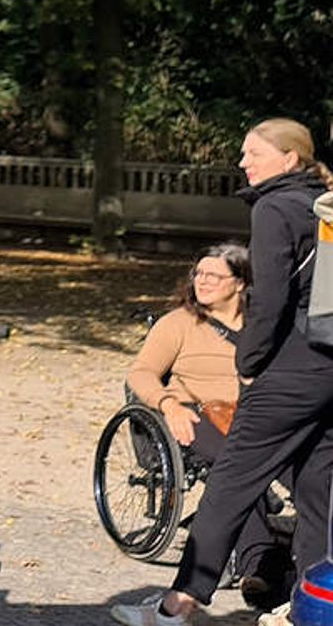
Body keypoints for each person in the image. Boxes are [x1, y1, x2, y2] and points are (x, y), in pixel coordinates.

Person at [114, 119, 333, 626]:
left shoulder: (276, 208)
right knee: (318, 486)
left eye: (253, 152)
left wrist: (249, 362)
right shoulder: (318, 206)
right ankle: (311, 605)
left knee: (230, 482)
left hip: (290, 367)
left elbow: (271, 299)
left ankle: (179, 605)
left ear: (289, 160)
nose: (243, 162)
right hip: (328, 366)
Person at [123, 243, 286, 606]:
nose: (203, 281)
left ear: (241, 282)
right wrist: (168, 403)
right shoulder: (178, 323)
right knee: (238, 467)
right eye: (199, 273)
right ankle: (260, 562)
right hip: (195, 413)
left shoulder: (263, 323)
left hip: (258, 414)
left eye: (215, 275)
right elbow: (141, 373)